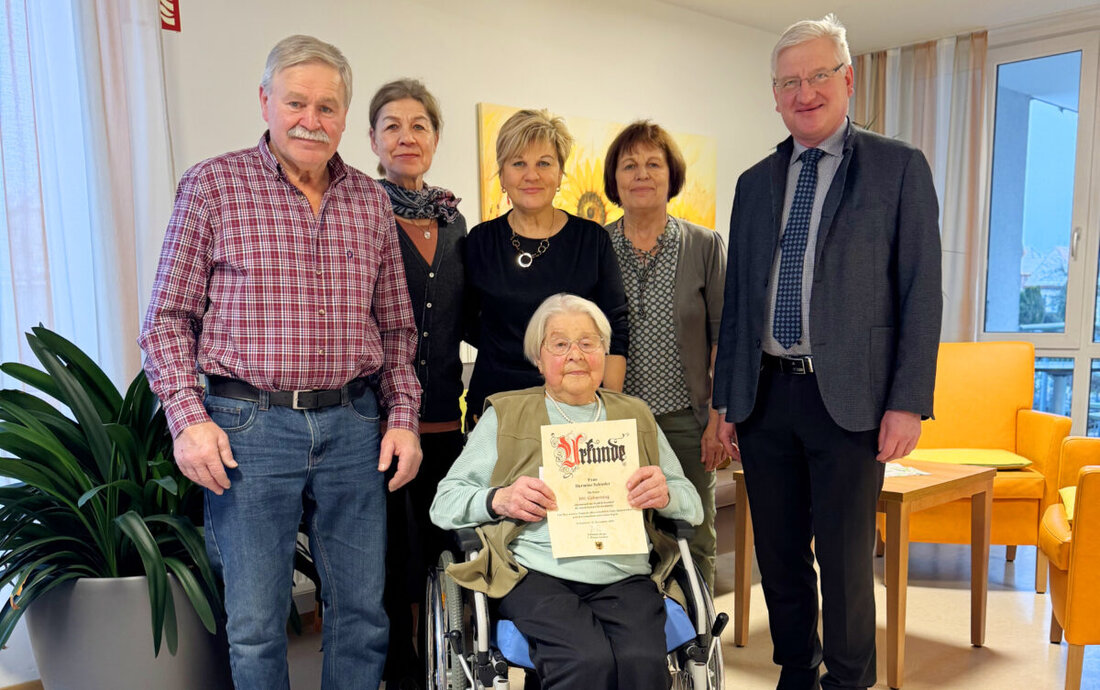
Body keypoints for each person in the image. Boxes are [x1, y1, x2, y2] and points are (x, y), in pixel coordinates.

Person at [138, 35, 423, 689]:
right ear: (266, 101)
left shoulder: (371, 202)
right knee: (257, 627)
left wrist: (402, 418)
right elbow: (166, 321)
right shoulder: (213, 186)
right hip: (248, 428)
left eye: (328, 107)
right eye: (296, 102)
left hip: (355, 427)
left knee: (362, 617)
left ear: (345, 116)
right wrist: (187, 420)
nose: (311, 120)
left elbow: (398, 332)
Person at [712, 14, 942, 690]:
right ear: (775, 94)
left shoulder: (898, 168)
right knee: (779, 557)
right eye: (789, 82)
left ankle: (848, 679)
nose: (803, 92)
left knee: (844, 563)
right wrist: (728, 398)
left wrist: (907, 403)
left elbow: (921, 294)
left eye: (817, 76)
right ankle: (795, 667)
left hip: (851, 398)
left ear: (848, 78)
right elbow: (739, 304)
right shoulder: (755, 184)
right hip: (764, 396)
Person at [430, 293, 702, 690]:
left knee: (642, 662)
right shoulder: (505, 415)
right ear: (539, 359)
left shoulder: (634, 415)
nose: (575, 354)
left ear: (604, 353)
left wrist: (666, 493)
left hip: (624, 575)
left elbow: (691, 502)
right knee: (585, 661)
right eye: (559, 344)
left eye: (588, 343)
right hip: (537, 574)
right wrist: (498, 498)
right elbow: (444, 502)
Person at [367, 78, 467, 689]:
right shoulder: (359, 212)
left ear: (435, 137)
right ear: (373, 140)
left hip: (445, 423)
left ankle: (440, 668)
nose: (407, 137)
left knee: (440, 557)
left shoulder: (455, 223)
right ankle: (399, 676)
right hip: (375, 426)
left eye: (419, 126)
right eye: (392, 126)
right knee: (385, 567)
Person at [603, 121, 726, 590]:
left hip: (686, 420)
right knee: (625, 538)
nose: (641, 174)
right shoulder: (597, 245)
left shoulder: (704, 245)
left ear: (671, 175)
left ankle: (696, 645)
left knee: (694, 537)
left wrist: (718, 418)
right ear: (614, 179)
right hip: (615, 421)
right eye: (629, 165)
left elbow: (724, 340)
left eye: (653, 164)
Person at [464, 109, 629, 428]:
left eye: (544, 163)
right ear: (502, 175)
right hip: (496, 409)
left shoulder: (591, 241)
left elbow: (615, 329)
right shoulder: (480, 242)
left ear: (560, 173)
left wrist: (607, 413)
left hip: (576, 413)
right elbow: (466, 323)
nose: (531, 175)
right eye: (518, 163)